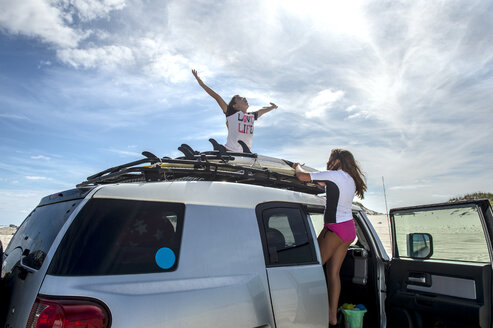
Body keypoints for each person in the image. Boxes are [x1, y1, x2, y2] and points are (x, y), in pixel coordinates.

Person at [293, 149, 366, 327]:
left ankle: (304, 312)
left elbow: (302, 176)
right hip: (349, 230)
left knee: (311, 268)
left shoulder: (334, 175)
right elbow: (324, 185)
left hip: (334, 229)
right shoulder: (349, 180)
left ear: (337, 160)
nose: (328, 162)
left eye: (330, 159)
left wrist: (296, 166)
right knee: (333, 273)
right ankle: (332, 316)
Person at [192, 69, 277, 152]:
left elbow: (262, 110)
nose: (244, 98)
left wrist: (272, 107)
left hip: (245, 153)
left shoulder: (251, 116)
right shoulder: (231, 112)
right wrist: (201, 83)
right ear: (235, 106)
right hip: (230, 151)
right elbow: (216, 97)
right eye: (240, 98)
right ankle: (218, 151)